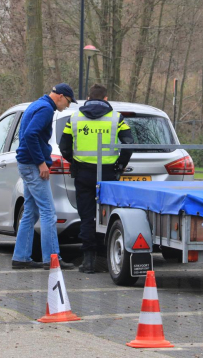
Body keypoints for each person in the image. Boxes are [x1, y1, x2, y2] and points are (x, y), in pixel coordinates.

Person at [59, 84, 134, 274]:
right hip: (108, 174)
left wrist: (74, 162)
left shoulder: (74, 117)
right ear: (106, 99)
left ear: (88, 98)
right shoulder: (116, 118)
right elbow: (129, 144)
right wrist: (119, 165)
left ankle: (88, 262)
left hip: (83, 174)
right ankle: (106, 258)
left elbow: (64, 146)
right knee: (108, 215)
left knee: (86, 216)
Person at [12, 84, 76, 270]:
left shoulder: (37, 104)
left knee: (31, 212)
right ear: (61, 96)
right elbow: (31, 135)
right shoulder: (46, 109)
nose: (67, 106)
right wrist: (41, 162)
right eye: (68, 102)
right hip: (32, 165)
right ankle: (52, 259)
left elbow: (30, 135)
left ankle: (21, 257)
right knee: (49, 212)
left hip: (26, 163)